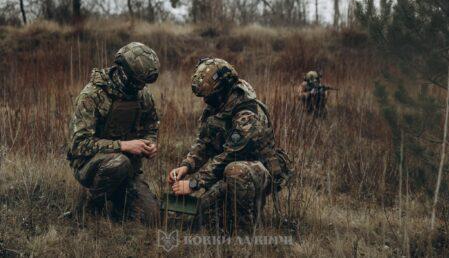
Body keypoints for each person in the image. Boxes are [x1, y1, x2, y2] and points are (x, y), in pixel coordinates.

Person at [167, 57, 291, 234]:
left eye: (208, 96)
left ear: (222, 89)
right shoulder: (218, 104)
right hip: (229, 169)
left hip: (258, 170)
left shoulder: (247, 113)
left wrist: (194, 184)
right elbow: (204, 142)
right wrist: (187, 166)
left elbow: (231, 155)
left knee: (235, 171)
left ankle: (244, 233)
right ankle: (228, 216)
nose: (205, 101)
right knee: (202, 215)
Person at [67, 42, 160, 225]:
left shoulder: (142, 95)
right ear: (124, 72)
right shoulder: (92, 95)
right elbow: (79, 145)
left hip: (128, 171)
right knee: (119, 162)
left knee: (153, 219)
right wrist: (123, 146)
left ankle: (118, 202)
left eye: (144, 83)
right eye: (138, 82)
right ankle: (90, 205)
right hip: (89, 166)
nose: (141, 87)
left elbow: (151, 125)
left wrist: (150, 143)